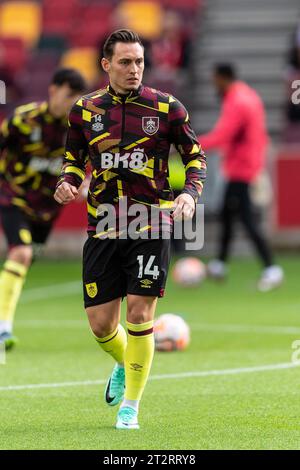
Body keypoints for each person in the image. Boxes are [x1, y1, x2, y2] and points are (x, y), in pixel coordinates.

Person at [54, 29, 206, 430]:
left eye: (139, 61)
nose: (134, 69)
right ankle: (125, 363)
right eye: (125, 62)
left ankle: (131, 406)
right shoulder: (84, 110)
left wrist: (190, 193)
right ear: (106, 65)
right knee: (102, 324)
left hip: (152, 221)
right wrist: (66, 182)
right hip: (103, 225)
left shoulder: (167, 107)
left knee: (140, 314)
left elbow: (195, 156)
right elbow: (73, 159)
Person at [0, 68, 86, 349]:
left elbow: (88, 164)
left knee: (24, 261)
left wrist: (83, 185)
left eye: (77, 98)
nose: (72, 102)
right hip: (13, 197)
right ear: (53, 90)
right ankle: (3, 329)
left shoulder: (78, 129)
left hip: (47, 210)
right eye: (69, 95)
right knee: (21, 253)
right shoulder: (24, 120)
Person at [198, 64, 283, 291]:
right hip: (246, 164)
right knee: (227, 214)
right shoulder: (247, 96)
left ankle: (271, 268)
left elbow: (223, 135)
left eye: (215, 80)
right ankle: (219, 265)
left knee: (245, 218)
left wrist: (192, 146)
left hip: (242, 168)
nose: (213, 85)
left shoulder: (237, 102)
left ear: (223, 78)